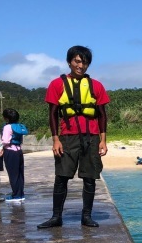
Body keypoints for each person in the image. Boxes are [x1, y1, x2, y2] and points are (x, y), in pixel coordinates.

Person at [37, 46, 109, 229]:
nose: (81, 65)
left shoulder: (97, 86)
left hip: (91, 137)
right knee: (61, 177)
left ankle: (86, 216)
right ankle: (56, 217)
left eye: (84, 62)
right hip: (67, 137)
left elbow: (102, 114)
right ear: (69, 62)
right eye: (77, 61)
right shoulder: (56, 84)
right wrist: (55, 139)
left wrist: (103, 140)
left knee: (90, 178)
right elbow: (53, 114)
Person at [1, 108, 26, 202]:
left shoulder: (7, 127)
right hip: (19, 151)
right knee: (20, 174)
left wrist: (0, 144)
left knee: (13, 175)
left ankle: (16, 195)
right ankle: (20, 193)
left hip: (10, 152)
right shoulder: (19, 126)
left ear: (7, 118)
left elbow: (6, 141)